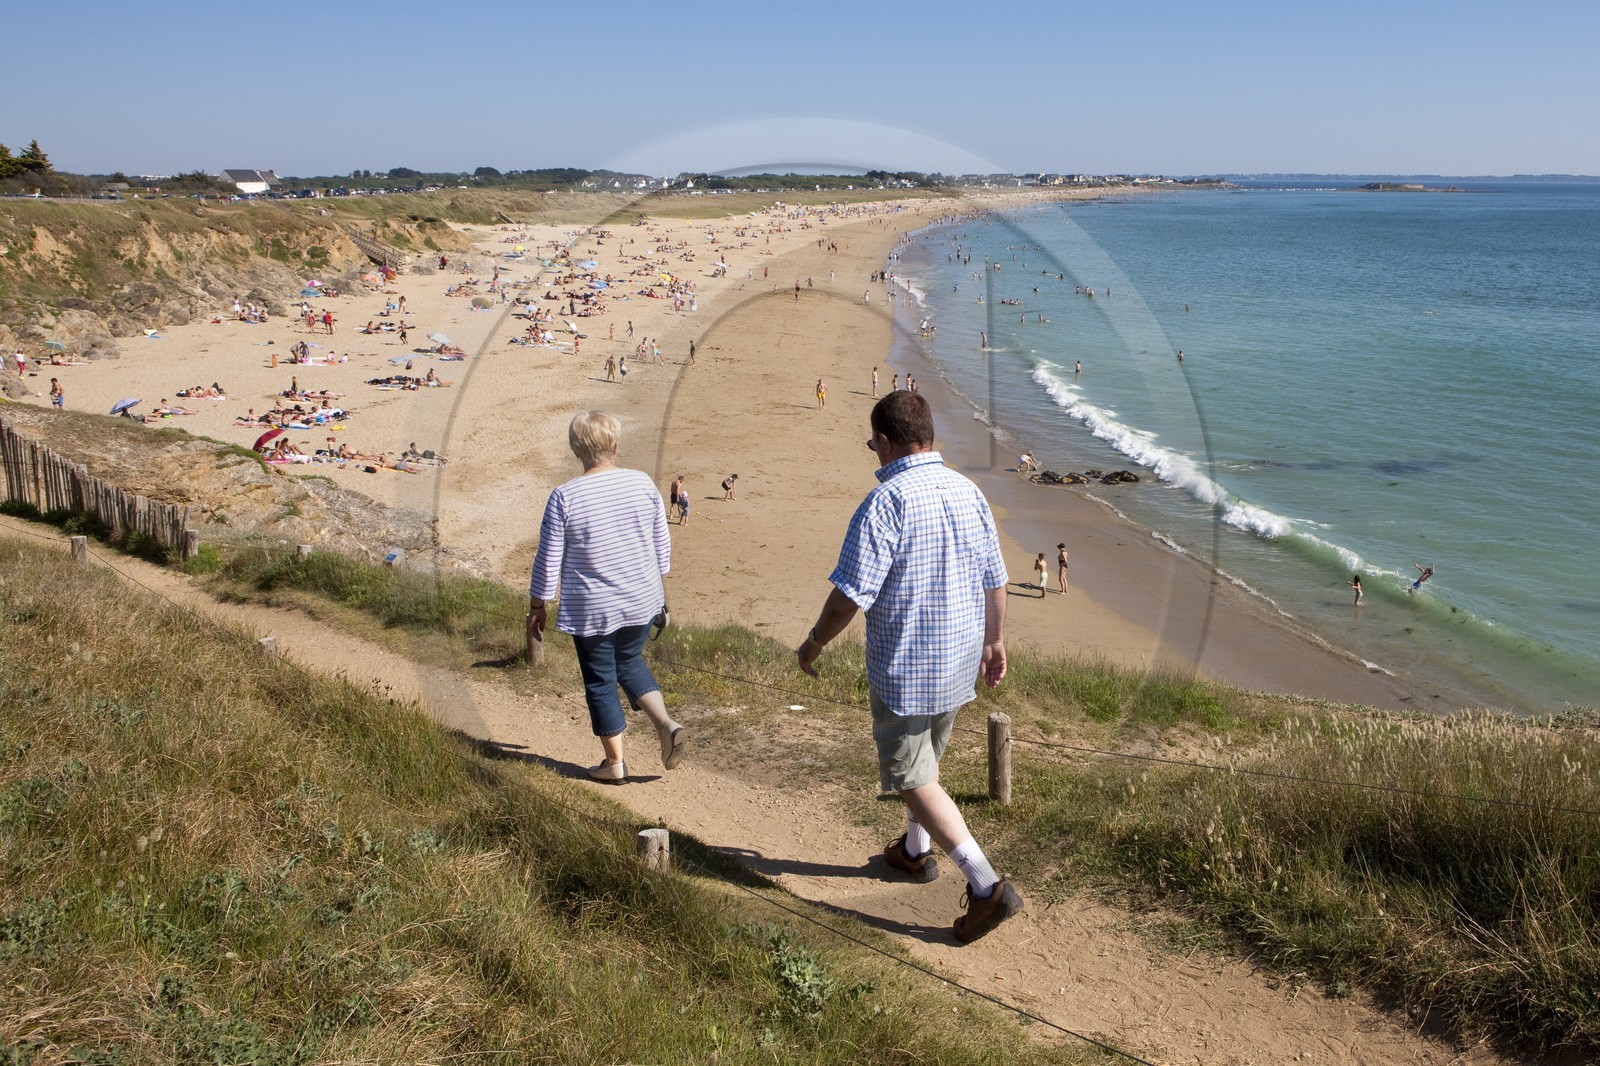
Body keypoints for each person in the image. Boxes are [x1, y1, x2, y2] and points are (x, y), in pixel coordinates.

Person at [796, 391, 1022, 943]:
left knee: (913, 776)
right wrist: (995, 644)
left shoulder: (886, 501)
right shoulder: (968, 491)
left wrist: (813, 644)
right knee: (927, 766)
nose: (873, 452)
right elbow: (996, 578)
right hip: (960, 657)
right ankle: (916, 852)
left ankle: (987, 886)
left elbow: (847, 596)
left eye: (873, 443)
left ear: (890, 441)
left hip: (906, 666)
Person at [527, 411, 686, 783]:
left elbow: (548, 559)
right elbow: (661, 544)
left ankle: (614, 762)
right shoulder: (642, 483)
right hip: (641, 598)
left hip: (593, 607)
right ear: (615, 446)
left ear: (575, 450)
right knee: (628, 660)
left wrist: (538, 606)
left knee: (600, 678)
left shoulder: (564, 496)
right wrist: (658, 584)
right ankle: (665, 723)